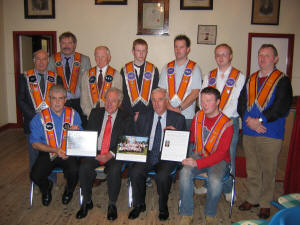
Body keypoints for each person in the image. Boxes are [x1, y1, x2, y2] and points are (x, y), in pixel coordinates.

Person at [238, 44, 293, 219]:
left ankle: (265, 203)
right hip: (249, 131)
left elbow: (281, 106)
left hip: (270, 132)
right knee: (252, 168)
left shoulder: (282, 80)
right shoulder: (251, 78)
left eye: (267, 56)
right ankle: (253, 197)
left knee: (268, 170)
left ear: (275, 59)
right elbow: (241, 102)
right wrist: (247, 120)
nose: (262, 59)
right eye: (260, 55)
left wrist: (259, 120)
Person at [128, 88, 186, 221]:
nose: (157, 104)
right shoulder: (143, 116)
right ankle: (139, 204)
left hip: (166, 155)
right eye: (153, 100)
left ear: (166, 101)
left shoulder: (178, 119)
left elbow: (183, 146)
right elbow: (136, 136)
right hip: (147, 153)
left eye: (160, 100)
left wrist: (175, 134)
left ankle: (163, 207)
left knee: (163, 175)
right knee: (135, 171)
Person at [76, 88, 134, 221]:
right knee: (84, 167)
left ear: (119, 103)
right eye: (107, 100)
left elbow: (126, 140)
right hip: (95, 151)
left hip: (114, 153)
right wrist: (90, 149)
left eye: (113, 101)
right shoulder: (95, 112)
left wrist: (110, 154)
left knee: (114, 170)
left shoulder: (126, 117)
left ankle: (112, 204)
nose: (109, 103)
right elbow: (89, 134)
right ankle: (86, 201)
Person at [196, 43, 245, 200]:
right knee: (207, 151)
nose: (221, 57)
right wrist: (208, 114)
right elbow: (201, 98)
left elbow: (236, 101)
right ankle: (207, 184)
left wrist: (220, 118)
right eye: (218, 54)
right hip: (209, 120)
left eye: (224, 54)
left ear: (230, 56)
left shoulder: (239, 76)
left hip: (229, 121)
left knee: (228, 154)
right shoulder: (208, 76)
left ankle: (229, 189)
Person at [179, 87, 233, 225]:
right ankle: (186, 213)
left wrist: (198, 164)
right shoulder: (198, 116)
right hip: (199, 154)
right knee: (184, 172)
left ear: (218, 102)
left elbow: (221, 153)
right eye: (202, 101)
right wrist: (177, 136)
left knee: (214, 180)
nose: (204, 104)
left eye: (208, 101)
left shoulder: (227, 124)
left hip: (218, 160)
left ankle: (210, 213)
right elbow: (191, 138)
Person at [30, 84, 82, 206]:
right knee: (35, 175)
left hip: (68, 152)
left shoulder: (74, 114)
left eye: (60, 98)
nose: (57, 102)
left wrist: (77, 132)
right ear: (49, 99)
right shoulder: (39, 117)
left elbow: (81, 140)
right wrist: (55, 149)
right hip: (48, 152)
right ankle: (46, 188)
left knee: (75, 171)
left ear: (65, 99)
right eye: (54, 98)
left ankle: (69, 190)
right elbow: (35, 144)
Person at [17, 49, 61, 173]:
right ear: (33, 61)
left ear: (48, 61)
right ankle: (35, 182)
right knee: (34, 155)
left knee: (51, 153)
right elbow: (21, 100)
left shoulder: (56, 77)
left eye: (44, 59)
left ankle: (51, 181)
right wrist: (36, 117)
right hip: (32, 122)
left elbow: (60, 101)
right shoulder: (25, 77)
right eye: (38, 59)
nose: (41, 62)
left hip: (52, 123)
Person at [48, 31, 91, 127]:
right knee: (60, 128)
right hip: (60, 102)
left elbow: (88, 84)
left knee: (81, 128)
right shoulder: (52, 60)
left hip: (79, 102)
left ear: (75, 44)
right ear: (60, 44)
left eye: (69, 43)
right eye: (63, 43)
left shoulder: (84, 59)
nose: (66, 46)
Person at [158, 34, 202, 130]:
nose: (178, 50)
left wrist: (179, 109)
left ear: (188, 49)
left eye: (181, 47)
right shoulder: (167, 67)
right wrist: (170, 108)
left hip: (187, 116)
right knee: (167, 143)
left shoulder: (195, 68)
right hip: (168, 114)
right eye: (176, 47)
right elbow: (162, 91)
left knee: (184, 144)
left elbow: (195, 93)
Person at [121, 38, 159, 120]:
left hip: (147, 115)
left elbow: (155, 94)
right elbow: (123, 95)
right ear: (133, 51)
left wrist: (142, 114)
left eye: (144, 51)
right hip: (129, 115)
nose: (141, 54)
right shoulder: (125, 70)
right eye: (138, 50)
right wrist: (132, 113)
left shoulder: (153, 70)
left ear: (147, 52)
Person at [81, 46, 122, 118]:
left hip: (110, 117)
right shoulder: (86, 75)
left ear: (109, 57)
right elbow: (84, 100)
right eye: (97, 56)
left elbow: (118, 100)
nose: (100, 59)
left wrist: (107, 116)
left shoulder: (116, 75)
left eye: (103, 56)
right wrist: (92, 115)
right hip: (91, 117)